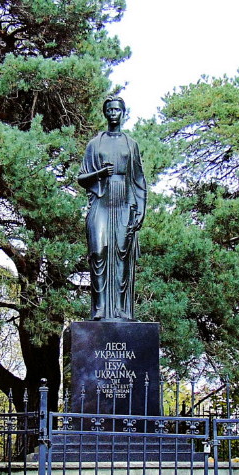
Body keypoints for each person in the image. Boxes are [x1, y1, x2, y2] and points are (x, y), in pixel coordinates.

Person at [78, 96, 147, 321]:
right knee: (98, 252)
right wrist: (99, 174)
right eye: (110, 109)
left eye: (117, 109)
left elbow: (139, 180)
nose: (113, 113)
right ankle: (99, 308)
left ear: (123, 113)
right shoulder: (95, 143)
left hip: (124, 202)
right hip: (101, 201)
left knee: (121, 255)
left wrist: (141, 210)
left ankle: (119, 309)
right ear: (105, 113)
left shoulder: (131, 144)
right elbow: (81, 178)